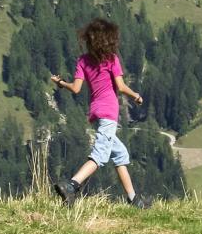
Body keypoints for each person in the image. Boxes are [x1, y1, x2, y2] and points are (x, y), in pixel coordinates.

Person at [50, 17, 148, 207]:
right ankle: (71, 185)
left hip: (95, 112)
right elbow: (120, 86)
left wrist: (60, 83)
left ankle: (134, 200)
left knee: (120, 154)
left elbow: (76, 88)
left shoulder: (83, 60)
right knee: (100, 155)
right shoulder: (112, 59)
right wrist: (135, 95)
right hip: (109, 112)